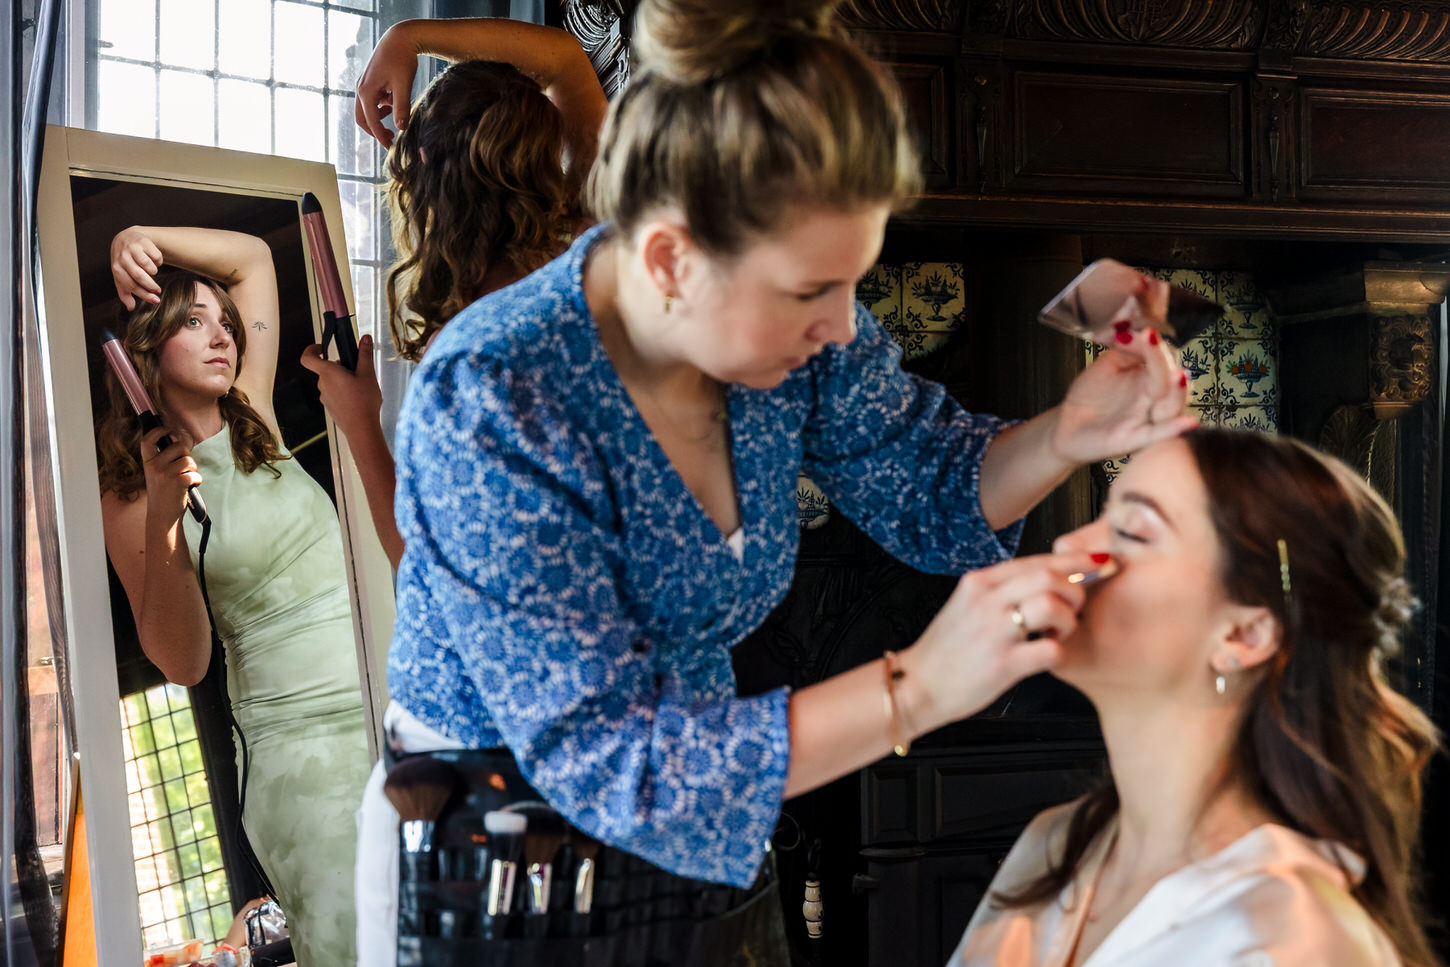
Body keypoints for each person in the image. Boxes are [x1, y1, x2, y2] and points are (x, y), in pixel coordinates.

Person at [358, 0, 1198, 960]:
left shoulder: (797, 348)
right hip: (507, 853)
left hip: (716, 811)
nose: (844, 326)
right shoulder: (495, 397)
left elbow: (930, 479)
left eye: (853, 280)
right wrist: (918, 686)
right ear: (672, 259)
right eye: (810, 291)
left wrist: (1068, 432)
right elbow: (614, 763)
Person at [950, 428, 1441, 967]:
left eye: (1132, 532)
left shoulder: (1294, 937)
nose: (1069, 547)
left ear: (1243, 636)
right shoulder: (1054, 845)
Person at [97, 226, 372, 967]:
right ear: (147, 349)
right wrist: (163, 518)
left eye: (225, 320)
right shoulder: (125, 494)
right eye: (194, 320)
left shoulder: (255, 417)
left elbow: (251, 258)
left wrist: (142, 237)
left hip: (386, 703)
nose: (223, 333)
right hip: (297, 755)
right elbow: (183, 661)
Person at [302, 19, 607, 567]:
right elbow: (565, 60)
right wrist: (407, 36)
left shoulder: (466, 349)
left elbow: (427, 563)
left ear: (421, 162)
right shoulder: (600, 243)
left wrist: (360, 426)